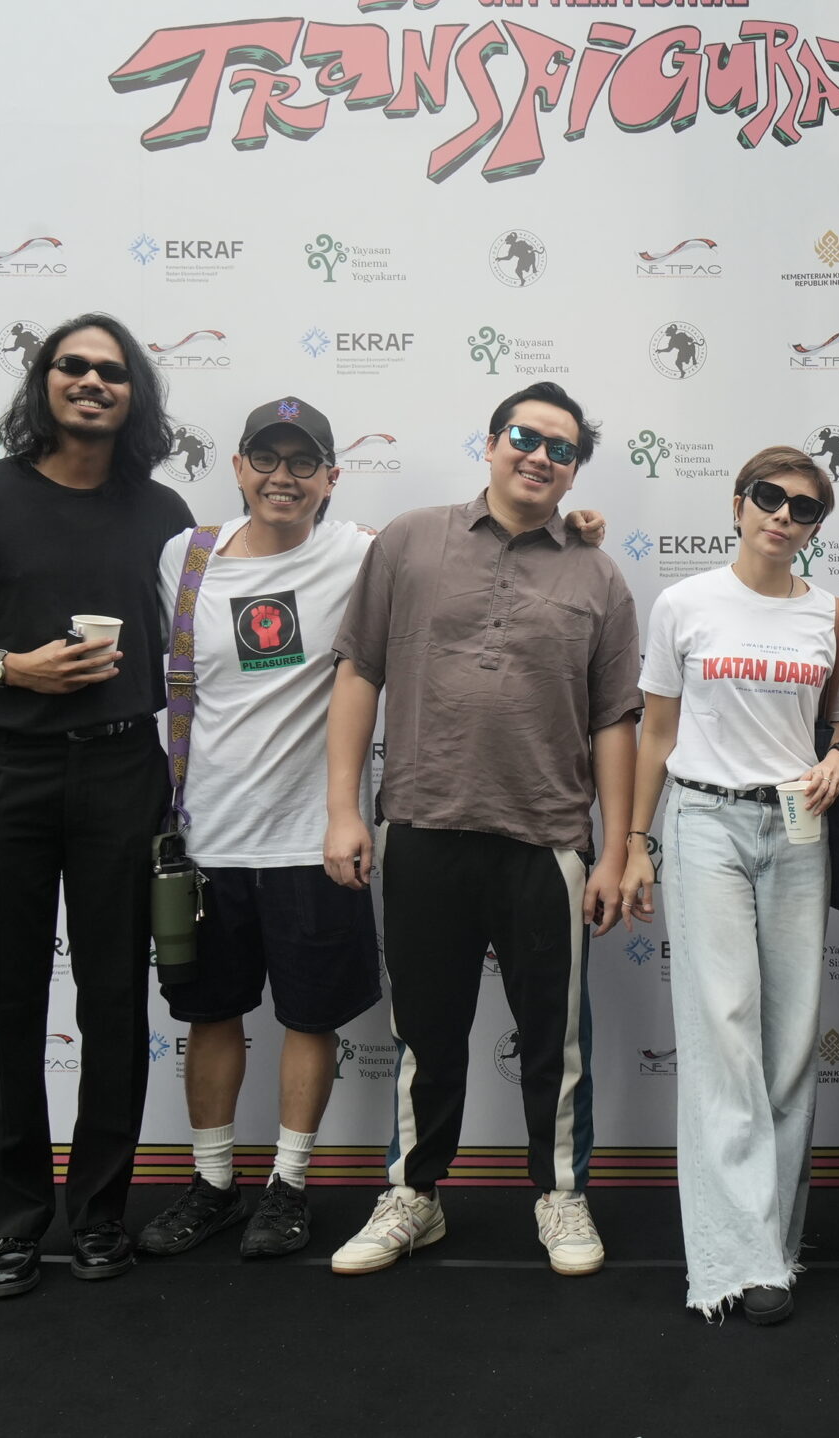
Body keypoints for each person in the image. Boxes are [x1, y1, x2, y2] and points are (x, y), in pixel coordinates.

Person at [0, 313, 195, 1299]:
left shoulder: (165, 513)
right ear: (43, 382)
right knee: (1, 1000)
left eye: (112, 371)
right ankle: (10, 1220)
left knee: (114, 1001)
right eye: (73, 365)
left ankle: (99, 1214)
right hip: (1, 771)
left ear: (135, 396)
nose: (92, 381)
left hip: (122, 772)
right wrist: (10, 666)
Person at [322, 382, 639, 1279]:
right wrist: (344, 809)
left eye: (562, 449)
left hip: (546, 839)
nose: (540, 456)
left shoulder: (599, 577)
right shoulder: (409, 541)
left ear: (574, 472)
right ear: (492, 442)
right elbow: (359, 673)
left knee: (556, 1043)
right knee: (425, 1033)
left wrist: (617, 850)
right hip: (421, 824)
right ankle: (414, 1196)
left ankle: (562, 1194)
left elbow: (616, 721)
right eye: (525, 437)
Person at [129, 396, 383, 1264]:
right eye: (266, 459)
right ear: (238, 467)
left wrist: (573, 527)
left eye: (303, 462)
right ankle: (212, 1185)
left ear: (330, 478)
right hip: (205, 842)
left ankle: (289, 1186)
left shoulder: (359, 554)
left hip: (314, 840)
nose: (283, 477)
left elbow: (462, 549)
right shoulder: (186, 557)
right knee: (210, 1016)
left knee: (310, 1019)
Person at [622, 446, 839, 1326]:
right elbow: (655, 732)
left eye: (804, 507)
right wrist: (637, 842)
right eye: (769, 497)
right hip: (704, 822)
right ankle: (735, 1261)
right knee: (723, 1034)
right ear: (738, 503)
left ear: (815, 527)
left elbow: (838, 727)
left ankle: (776, 1245)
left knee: (790, 1041)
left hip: (796, 829)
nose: (783, 515)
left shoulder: (833, 615)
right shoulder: (683, 604)